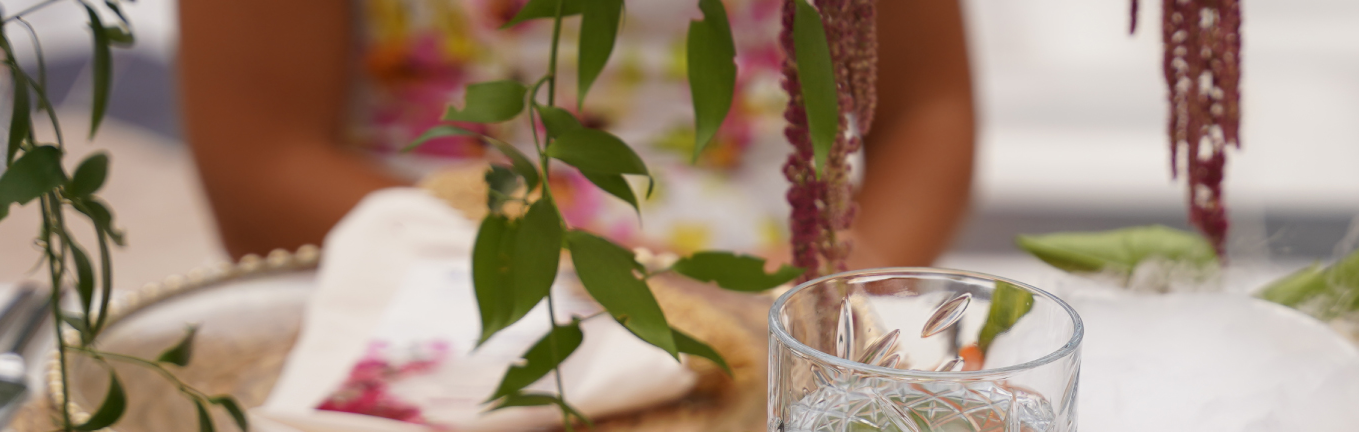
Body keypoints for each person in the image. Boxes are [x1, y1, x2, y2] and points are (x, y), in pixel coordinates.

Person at [179, 0, 973, 268]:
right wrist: (591, 287)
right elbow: (260, 169)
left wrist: (838, 293)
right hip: (435, 285)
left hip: (769, 304)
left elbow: (926, 111)